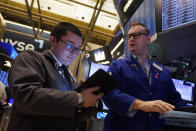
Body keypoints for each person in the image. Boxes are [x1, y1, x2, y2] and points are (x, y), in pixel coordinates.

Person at [7, 22, 103, 131]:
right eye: (70, 45)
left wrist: (92, 101)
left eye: (78, 49)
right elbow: (25, 96)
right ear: (53, 40)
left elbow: (72, 112)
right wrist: (79, 98)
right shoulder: (31, 58)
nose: (74, 52)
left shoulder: (68, 75)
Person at [103, 22, 186, 131]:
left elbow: (175, 100)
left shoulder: (163, 71)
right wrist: (141, 104)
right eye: (129, 36)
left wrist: (190, 112)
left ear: (148, 39)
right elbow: (109, 93)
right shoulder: (118, 66)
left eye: (136, 35)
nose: (131, 39)